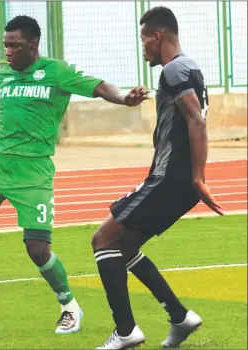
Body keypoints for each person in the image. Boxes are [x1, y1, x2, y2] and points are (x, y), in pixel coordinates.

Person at [0, 15, 148, 334]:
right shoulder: (4, 76)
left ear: (32, 44)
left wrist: (125, 98)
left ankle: (70, 306)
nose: (8, 51)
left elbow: (98, 86)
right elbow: (3, 116)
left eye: (14, 45)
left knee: (37, 249)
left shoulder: (57, 72)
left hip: (33, 171)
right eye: (6, 45)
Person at [91, 6, 224, 349]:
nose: (143, 48)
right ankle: (180, 318)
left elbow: (196, 120)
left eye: (144, 40)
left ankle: (125, 331)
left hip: (170, 179)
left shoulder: (174, 69)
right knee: (125, 244)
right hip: (175, 179)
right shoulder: (188, 66)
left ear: (157, 36)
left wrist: (197, 177)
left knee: (102, 240)